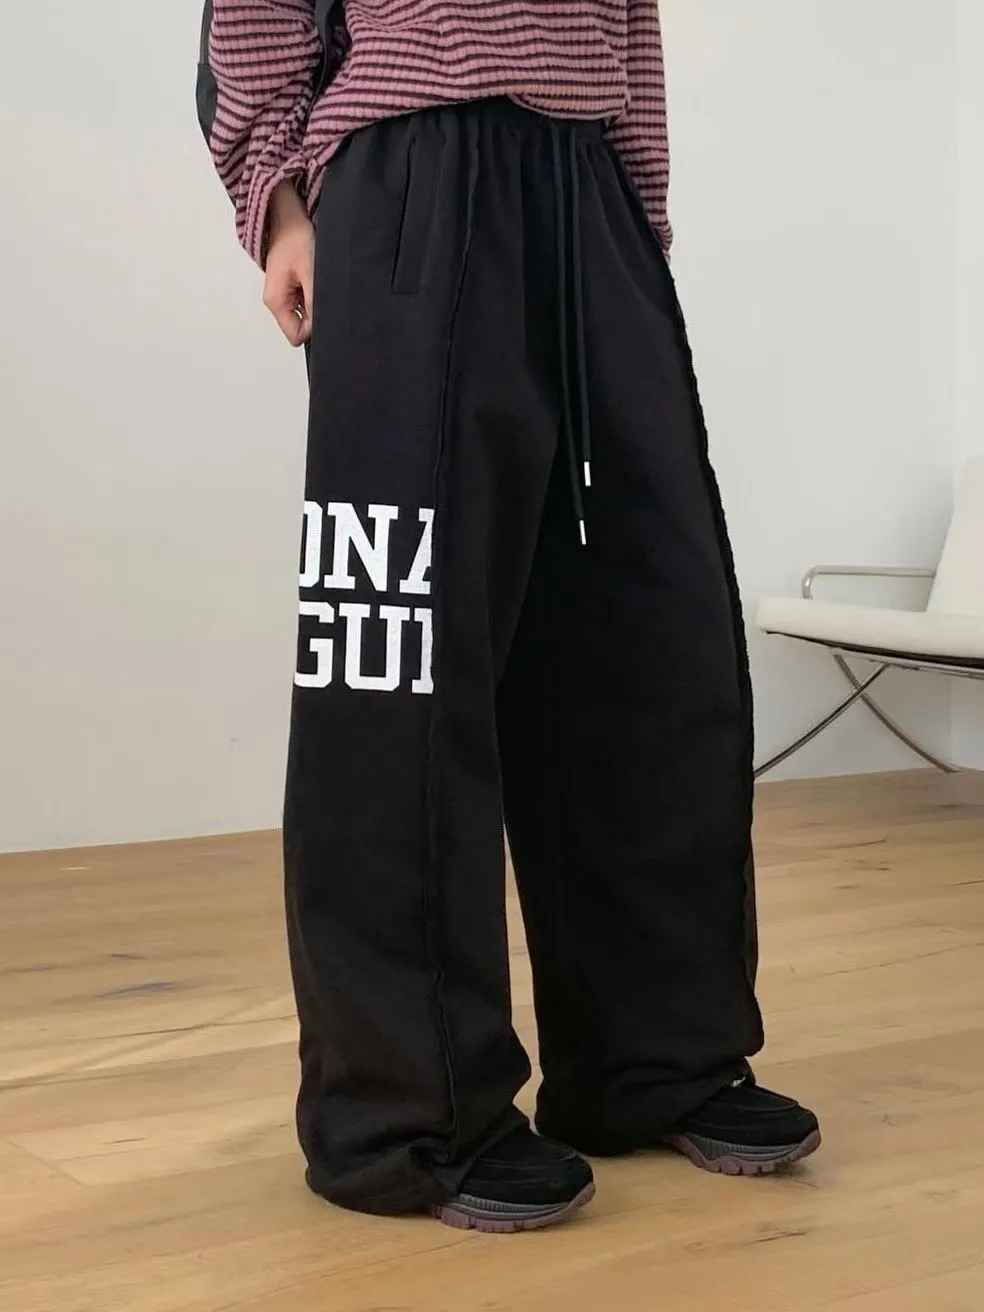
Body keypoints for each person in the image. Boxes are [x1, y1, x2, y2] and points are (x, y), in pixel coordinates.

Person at [199, 0, 820, 1233]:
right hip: (407, 178)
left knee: (649, 634)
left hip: (587, 191)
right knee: (398, 659)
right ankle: (407, 1110)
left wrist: (634, 213)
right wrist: (279, 204)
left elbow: (628, 23)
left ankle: (653, 1058)